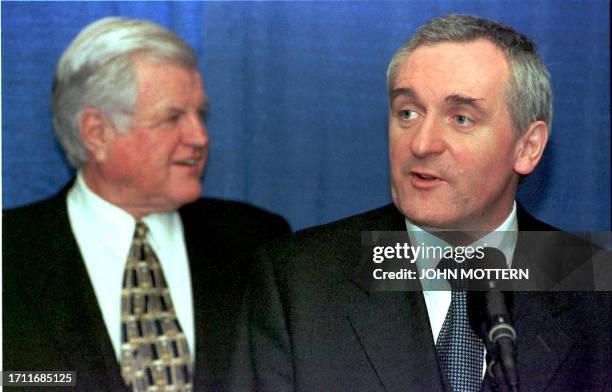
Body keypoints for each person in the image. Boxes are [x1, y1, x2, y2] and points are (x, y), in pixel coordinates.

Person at [244, 15, 611, 391]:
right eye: (408, 113)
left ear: (527, 147)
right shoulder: (298, 284)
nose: (421, 143)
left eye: (461, 118)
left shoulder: (595, 287)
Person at [2, 17, 290, 391]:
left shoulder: (257, 242)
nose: (199, 137)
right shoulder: (10, 253)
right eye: (172, 118)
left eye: (200, 114)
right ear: (97, 133)